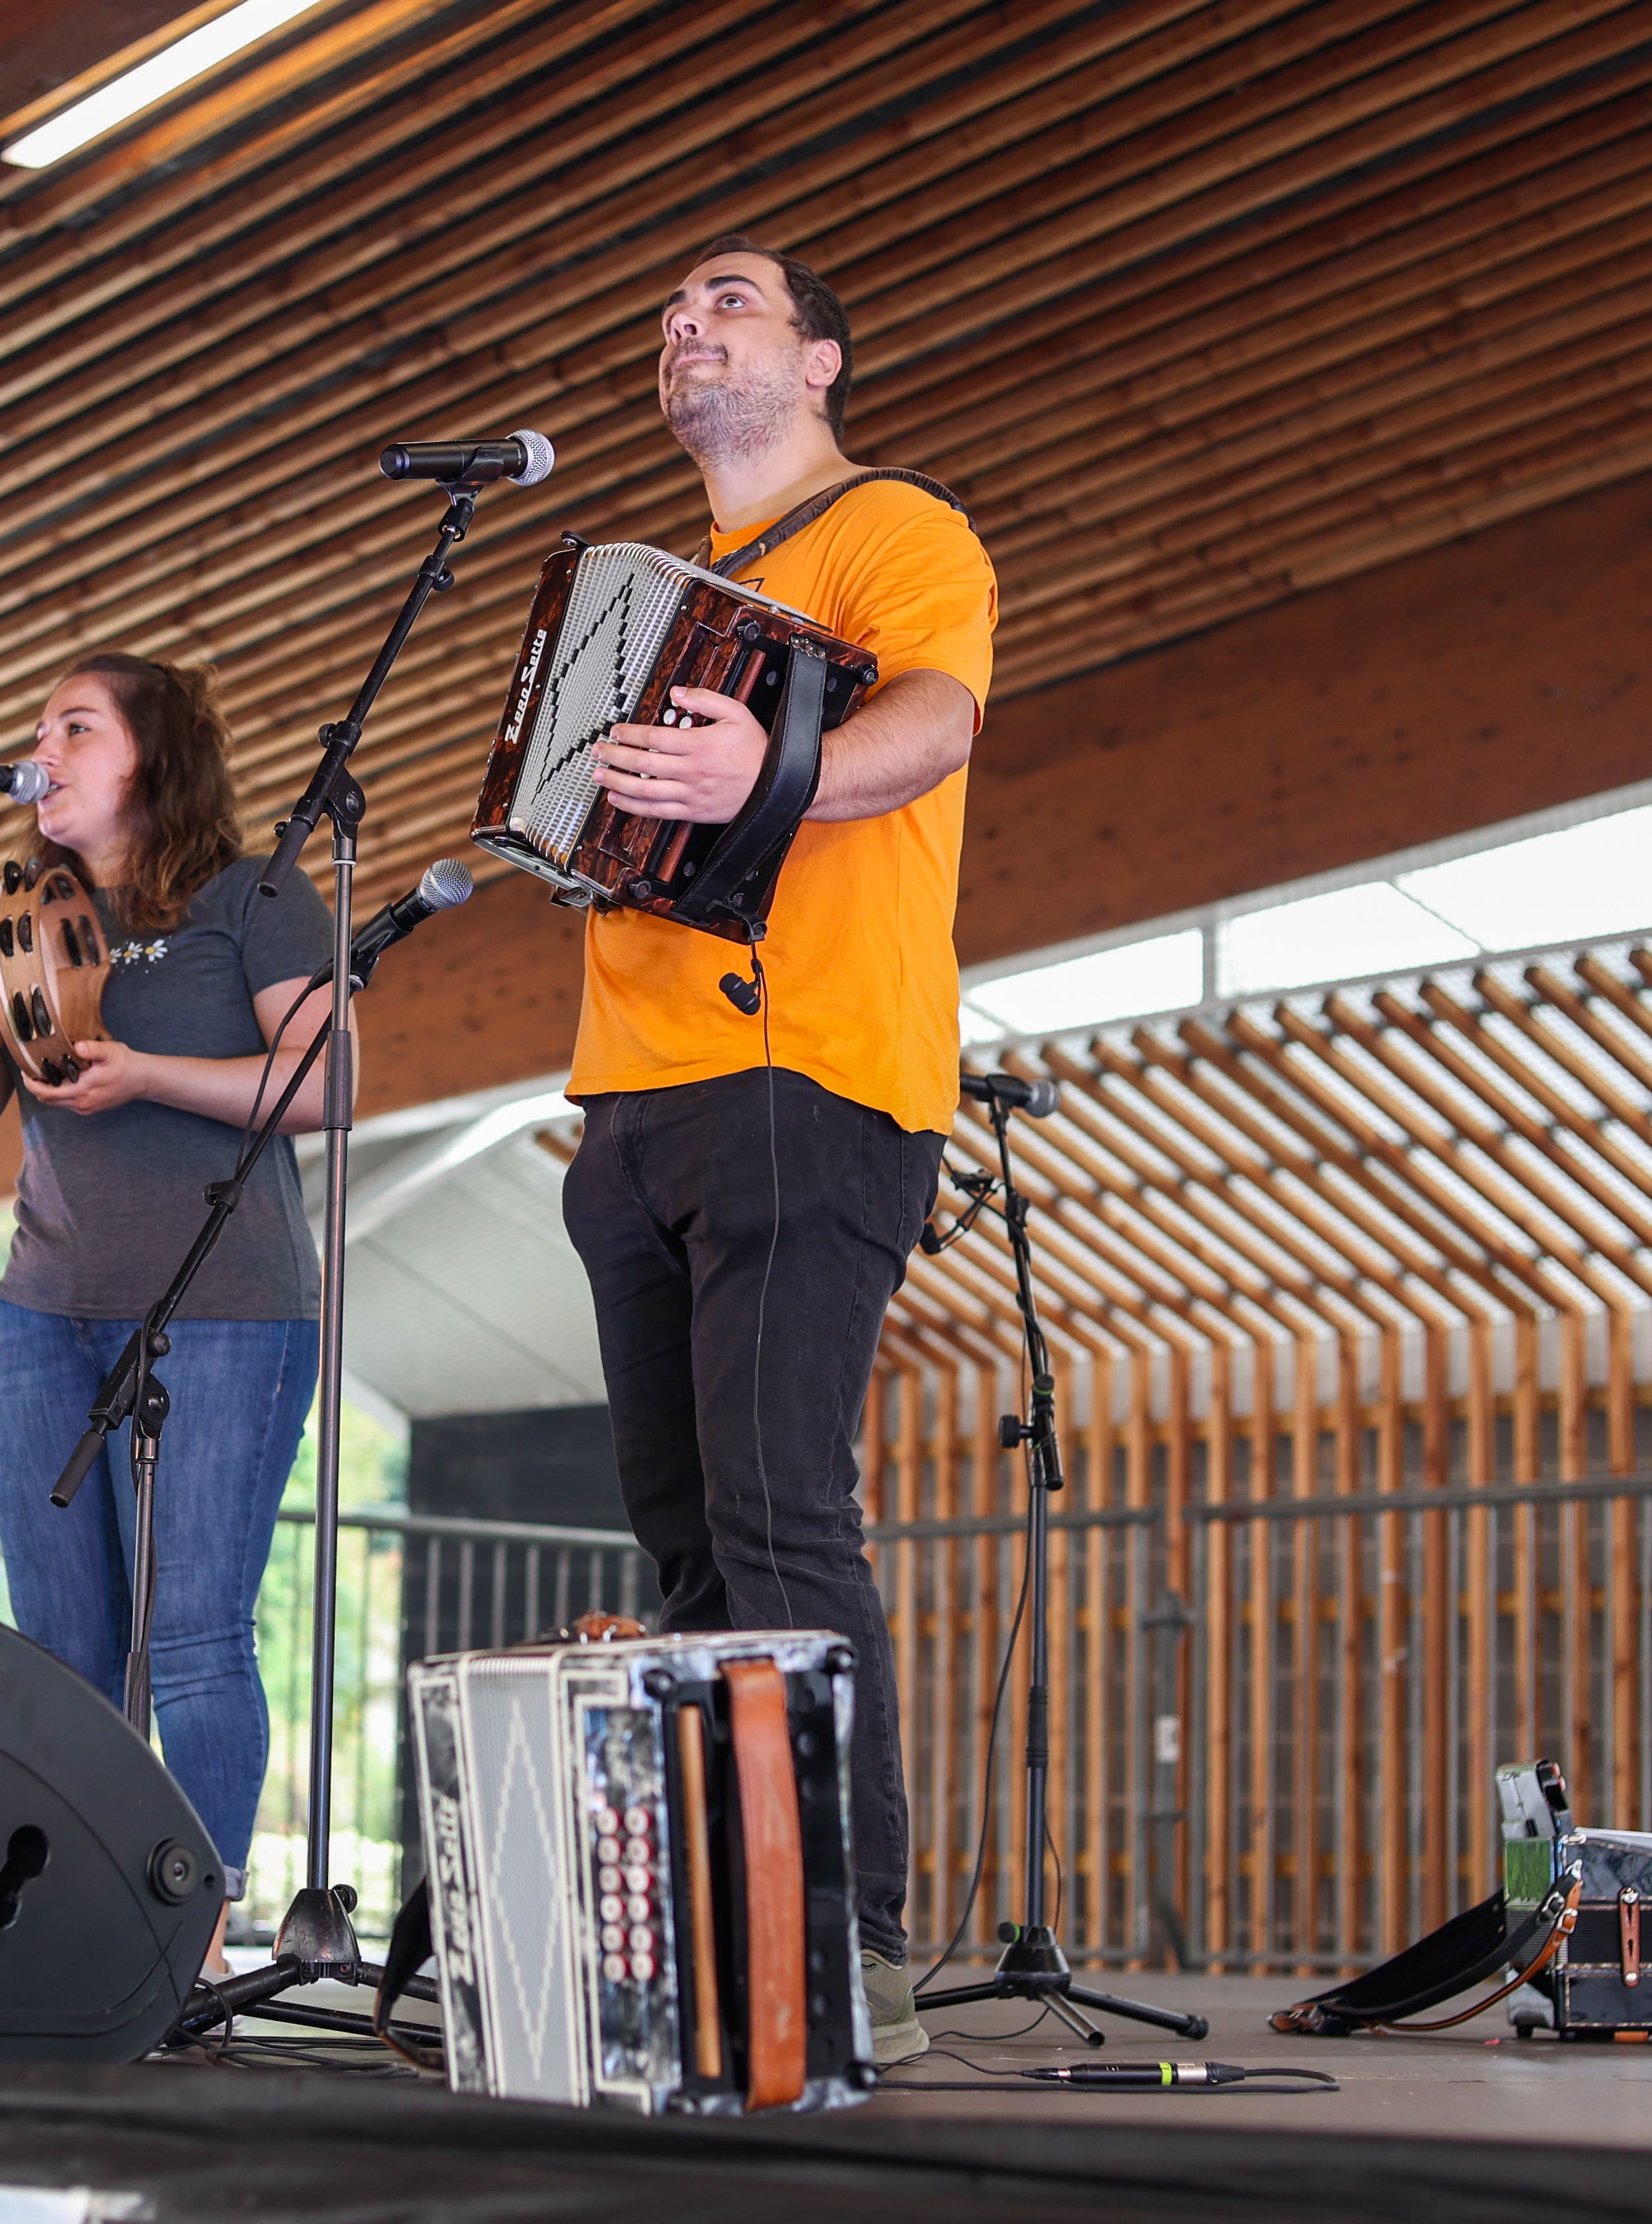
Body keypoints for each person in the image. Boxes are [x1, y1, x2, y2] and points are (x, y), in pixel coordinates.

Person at [560, 236, 998, 2066]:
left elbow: (933, 722)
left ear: (818, 358)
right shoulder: (637, 593)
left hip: (805, 1074)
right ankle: (722, 1940)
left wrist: (771, 770)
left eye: (727, 302)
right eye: (671, 312)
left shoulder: (894, 528)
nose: (687, 325)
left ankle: (856, 1944)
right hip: (628, 1097)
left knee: (777, 1514)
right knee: (679, 1546)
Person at [0, 653, 335, 1945]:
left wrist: (149, 1070)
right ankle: (73, 1932)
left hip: (228, 1305)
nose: (45, 748)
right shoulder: (26, 916)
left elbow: (321, 1084)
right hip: (48, 1307)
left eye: (75, 727)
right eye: (38, 728)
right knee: (62, 1654)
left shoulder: (254, 895)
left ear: (152, 755)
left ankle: (183, 1933)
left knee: (197, 1633)